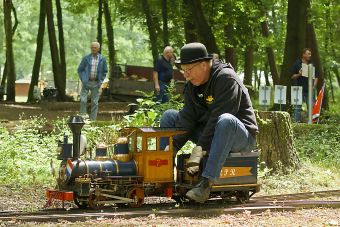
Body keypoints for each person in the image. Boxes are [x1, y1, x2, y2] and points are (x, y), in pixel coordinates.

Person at [160, 42, 258, 203]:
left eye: (189, 70)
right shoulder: (192, 85)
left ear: (204, 65)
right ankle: (162, 173)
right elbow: (188, 117)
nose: (186, 75)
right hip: (210, 135)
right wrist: (173, 147)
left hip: (239, 137)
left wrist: (199, 149)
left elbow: (218, 117)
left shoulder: (226, 78)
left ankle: (206, 184)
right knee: (169, 116)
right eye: (183, 70)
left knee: (225, 120)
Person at [78, 41, 108, 121]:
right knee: (83, 100)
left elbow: (105, 71)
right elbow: (80, 69)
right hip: (86, 82)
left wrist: (101, 80)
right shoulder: (86, 58)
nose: (93, 49)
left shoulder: (102, 59)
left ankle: (93, 120)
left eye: (95, 47)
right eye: (92, 47)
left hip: (96, 83)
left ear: (98, 49)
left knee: (94, 102)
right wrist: (83, 79)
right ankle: (83, 118)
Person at [291, 48, 318, 122]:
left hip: (310, 89)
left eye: (310, 54)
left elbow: (316, 77)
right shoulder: (297, 63)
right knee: (297, 107)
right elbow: (292, 76)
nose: (310, 55)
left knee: (311, 107)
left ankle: (311, 123)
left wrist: (314, 86)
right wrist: (299, 74)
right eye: (308, 53)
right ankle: (296, 123)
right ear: (303, 54)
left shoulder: (312, 64)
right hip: (298, 89)